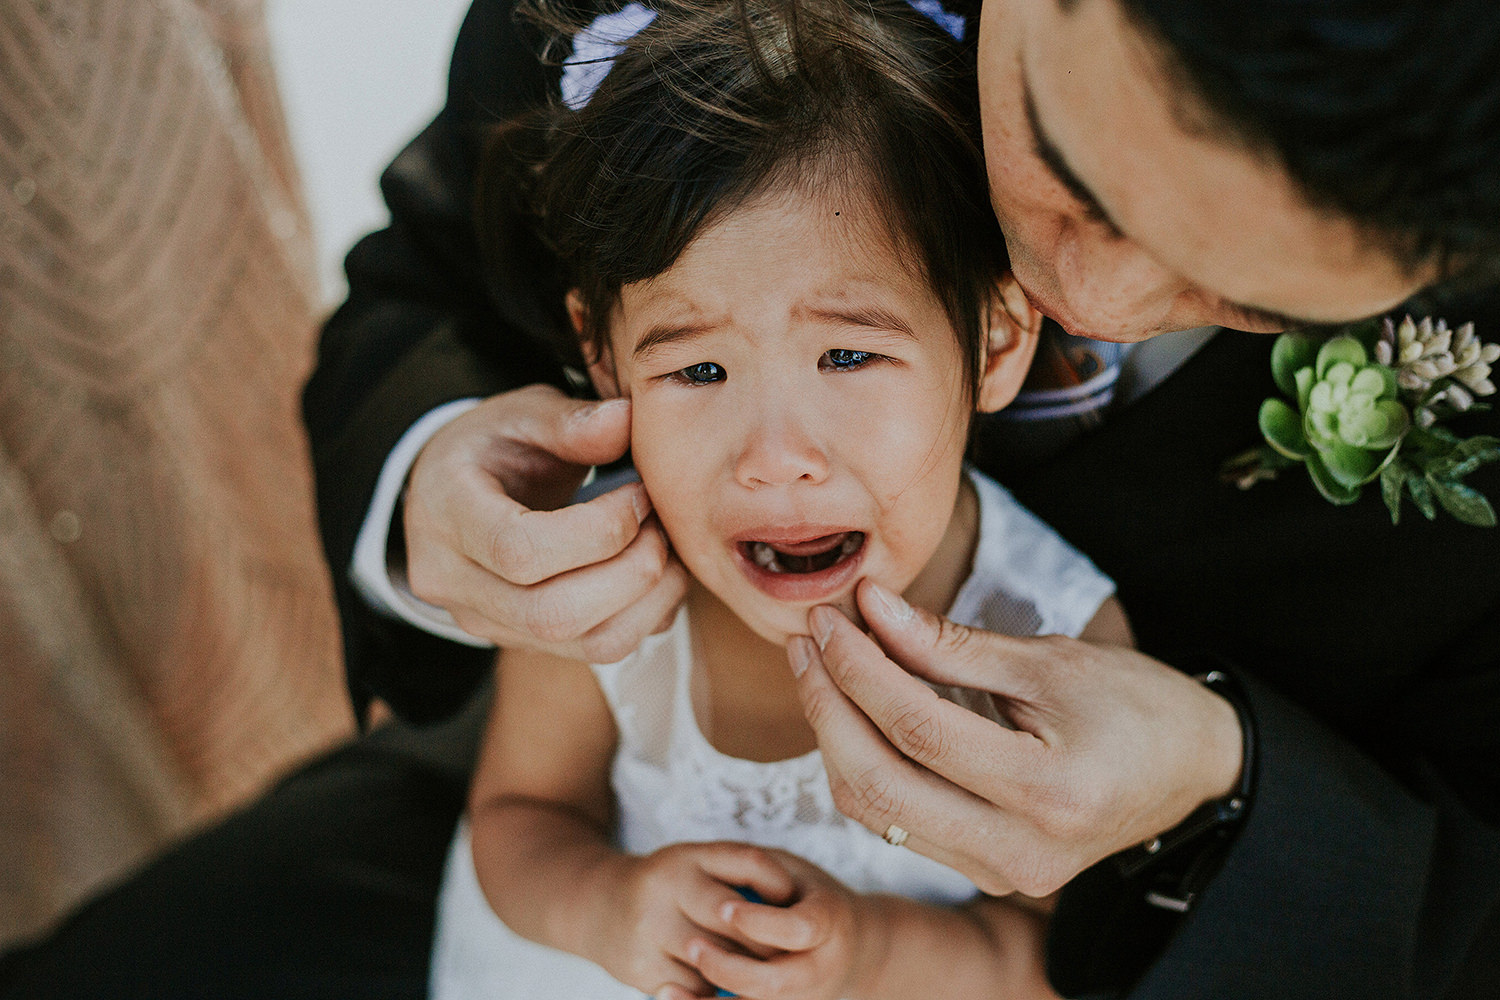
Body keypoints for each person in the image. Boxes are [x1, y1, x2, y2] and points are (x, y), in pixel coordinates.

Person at [3, 0, 1496, 997]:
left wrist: (1230, 800)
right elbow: (437, 268)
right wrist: (431, 486)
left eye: (1242, 295)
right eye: (1070, 166)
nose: (1084, 293)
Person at [427, 2, 1128, 997]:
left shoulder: (1054, 639)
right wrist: (602, 902)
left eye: (848, 355)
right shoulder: (595, 589)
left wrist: (874, 953)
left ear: (1000, 341)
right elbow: (518, 816)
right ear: (601, 350)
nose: (774, 458)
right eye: (698, 372)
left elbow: (1046, 957)